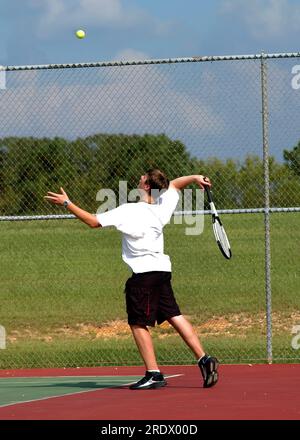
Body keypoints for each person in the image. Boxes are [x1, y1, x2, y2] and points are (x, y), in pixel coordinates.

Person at [45, 169, 219, 390]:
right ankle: (204, 358)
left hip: (144, 275)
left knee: (138, 322)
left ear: (146, 186)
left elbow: (93, 221)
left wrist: (67, 203)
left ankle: (153, 373)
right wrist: (194, 178)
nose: (138, 180)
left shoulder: (129, 211)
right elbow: (174, 186)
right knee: (174, 315)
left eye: (142, 179)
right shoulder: (161, 208)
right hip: (162, 271)